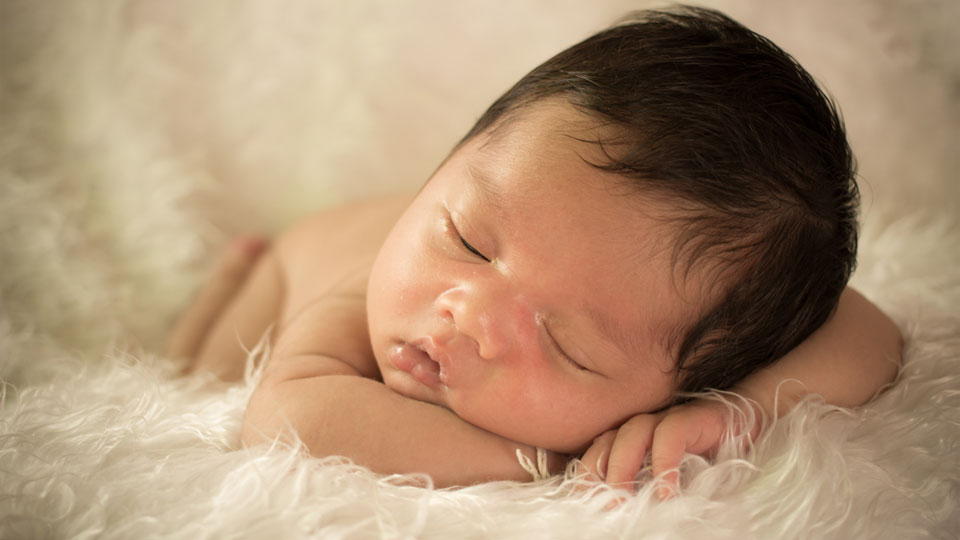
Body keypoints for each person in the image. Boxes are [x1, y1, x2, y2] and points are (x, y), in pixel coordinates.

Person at [165, 6, 902, 495]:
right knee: (195, 383)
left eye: (565, 343)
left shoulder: (696, 326)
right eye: (468, 241)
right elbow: (288, 417)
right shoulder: (368, 296)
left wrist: (737, 413)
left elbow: (867, 331)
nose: (469, 312)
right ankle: (225, 287)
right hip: (291, 269)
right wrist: (554, 467)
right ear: (448, 161)